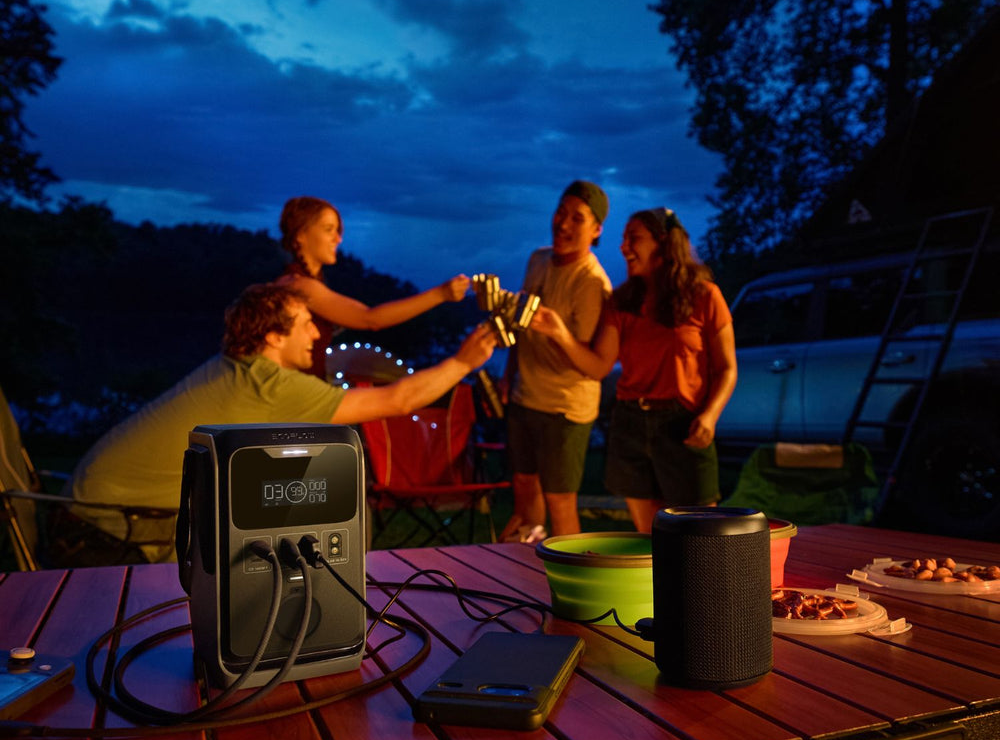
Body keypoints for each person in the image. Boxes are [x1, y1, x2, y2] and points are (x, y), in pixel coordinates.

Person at [68, 282, 496, 553]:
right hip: (106, 532)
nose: (316, 334)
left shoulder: (238, 367)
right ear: (273, 336)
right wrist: (463, 362)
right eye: (307, 324)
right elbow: (398, 401)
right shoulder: (269, 383)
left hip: (89, 508)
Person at [530, 208, 737, 534]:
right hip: (631, 424)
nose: (623, 247)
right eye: (624, 239)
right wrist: (559, 334)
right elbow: (599, 366)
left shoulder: (704, 296)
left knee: (701, 537)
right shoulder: (622, 301)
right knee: (649, 539)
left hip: (682, 425)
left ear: (664, 243)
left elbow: (727, 368)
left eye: (634, 239)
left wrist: (710, 415)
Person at [500, 180, 612, 541]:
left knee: (560, 501)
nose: (563, 224)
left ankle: (571, 581)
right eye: (560, 213)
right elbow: (521, 322)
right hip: (525, 395)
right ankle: (527, 569)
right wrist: (509, 373)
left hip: (566, 406)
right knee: (523, 486)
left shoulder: (592, 282)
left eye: (576, 218)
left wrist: (559, 332)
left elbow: (590, 362)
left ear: (596, 230)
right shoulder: (538, 259)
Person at [275, 196, 470, 377]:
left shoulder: (305, 282)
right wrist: (441, 294)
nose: (338, 239)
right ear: (300, 235)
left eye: (338, 231)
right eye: (328, 229)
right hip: (301, 404)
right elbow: (370, 319)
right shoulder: (299, 285)